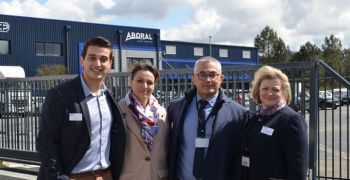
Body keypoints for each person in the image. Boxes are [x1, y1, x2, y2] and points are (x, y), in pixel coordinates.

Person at [36, 36, 126, 180]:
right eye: (92, 58)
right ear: (82, 60)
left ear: (110, 63)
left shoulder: (109, 97)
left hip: (106, 175)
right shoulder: (61, 94)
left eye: (103, 59)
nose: (98, 63)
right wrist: (58, 177)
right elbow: (46, 141)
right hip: (73, 176)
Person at [167, 56, 248, 180]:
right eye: (202, 75)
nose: (207, 79)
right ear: (194, 79)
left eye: (212, 74)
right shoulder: (175, 107)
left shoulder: (239, 113)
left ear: (221, 78)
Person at [240, 65, 308, 180]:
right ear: (258, 91)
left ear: (283, 92)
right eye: (265, 89)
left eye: (275, 89)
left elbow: (298, 168)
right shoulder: (255, 118)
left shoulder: (291, 120)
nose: (269, 93)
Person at [118, 63, 168, 180]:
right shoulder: (118, 109)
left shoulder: (162, 112)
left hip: (157, 176)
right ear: (131, 82)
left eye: (149, 82)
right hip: (130, 176)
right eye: (140, 81)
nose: (145, 86)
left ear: (154, 85)